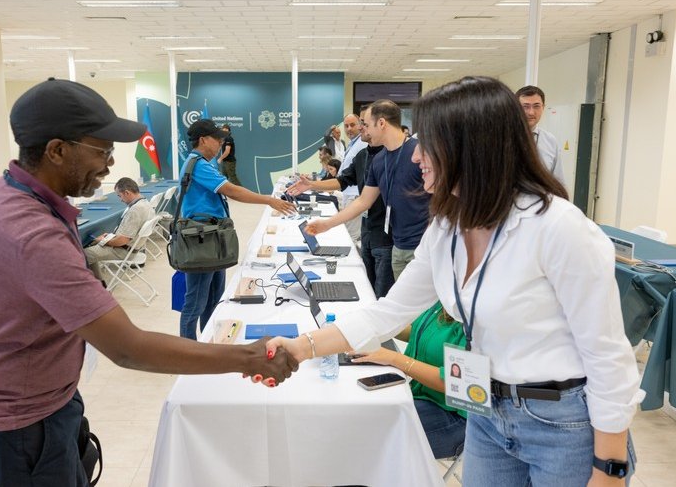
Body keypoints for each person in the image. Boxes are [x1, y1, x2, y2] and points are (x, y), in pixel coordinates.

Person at [268, 76, 643, 486]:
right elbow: (389, 312)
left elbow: (608, 356)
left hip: (560, 421)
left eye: (428, 144)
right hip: (484, 408)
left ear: (473, 147)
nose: (416, 158)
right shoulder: (447, 228)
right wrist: (302, 347)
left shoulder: (559, 229)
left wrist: (610, 469)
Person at [0, 78, 298, 487]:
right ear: (57, 150)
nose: (111, 165)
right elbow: (127, 348)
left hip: (26, 404)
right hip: (19, 422)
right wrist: (247, 358)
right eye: (103, 151)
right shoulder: (30, 232)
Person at [179, 118, 295, 340]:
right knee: (195, 302)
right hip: (202, 239)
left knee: (213, 298)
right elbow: (232, 191)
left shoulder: (203, 162)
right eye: (217, 139)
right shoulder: (198, 164)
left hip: (212, 236)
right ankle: (189, 349)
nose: (220, 144)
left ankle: (208, 342)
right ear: (203, 140)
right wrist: (269, 200)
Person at [305, 99, 430, 279]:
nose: (365, 130)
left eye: (367, 124)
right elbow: (364, 201)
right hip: (398, 246)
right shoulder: (379, 160)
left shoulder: (419, 153)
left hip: (423, 248)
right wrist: (326, 224)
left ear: (381, 123)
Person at [288, 106, 394, 298]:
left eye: (363, 123)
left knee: (382, 295)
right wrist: (311, 184)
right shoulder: (364, 155)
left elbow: (364, 201)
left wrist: (327, 224)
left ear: (380, 124)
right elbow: (342, 180)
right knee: (369, 288)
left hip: (387, 237)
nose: (360, 128)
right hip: (368, 230)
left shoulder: (389, 157)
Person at [351, 301, 467, 459]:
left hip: (455, 417)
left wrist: (395, 359)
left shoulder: (473, 317)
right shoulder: (444, 301)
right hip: (422, 396)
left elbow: (457, 384)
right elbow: (418, 332)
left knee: (370, 438)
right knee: (362, 414)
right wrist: (375, 328)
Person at [83, 177, 154, 279]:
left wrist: (103, 241)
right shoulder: (146, 204)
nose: (120, 200)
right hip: (132, 248)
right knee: (91, 250)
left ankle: (89, 287)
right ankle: (99, 283)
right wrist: (110, 237)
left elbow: (121, 241)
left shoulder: (135, 210)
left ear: (126, 193)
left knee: (83, 254)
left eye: (120, 196)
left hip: (122, 252)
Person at [516, 85, 565, 185]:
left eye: (536, 106)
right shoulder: (502, 138)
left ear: (543, 107)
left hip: (543, 199)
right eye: (525, 106)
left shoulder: (550, 141)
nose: (531, 112)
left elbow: (558, 181)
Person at [336, 113, 367, 242]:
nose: (349, 129)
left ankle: (352, 262)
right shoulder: (352, 143)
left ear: (360, 124)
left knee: (351, 236)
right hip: (347, 193)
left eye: (352, 125)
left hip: (355, 195)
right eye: (346, 126)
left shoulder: (363, 143)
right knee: (348, 233)